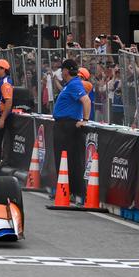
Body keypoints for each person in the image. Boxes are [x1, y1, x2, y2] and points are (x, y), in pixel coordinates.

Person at [52, 59, 91, 200]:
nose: (62, 72)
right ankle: (66, 190)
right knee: (63, 159)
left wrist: (84, 120)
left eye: (62, 69)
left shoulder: (75, 84)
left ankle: (75, 192)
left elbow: (86, 101)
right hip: (63, 125)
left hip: (67, 125)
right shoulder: (69, 85)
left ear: (66, 71)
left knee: (69, 159)